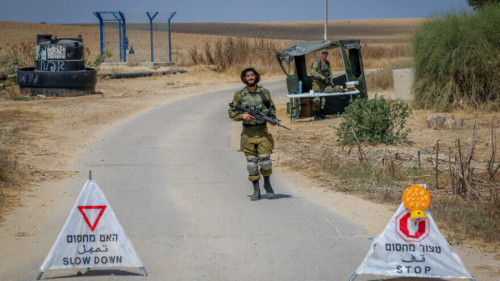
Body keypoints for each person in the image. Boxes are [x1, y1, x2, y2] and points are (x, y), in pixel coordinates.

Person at [228, 67, 276, 201]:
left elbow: (271, 108)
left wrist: (272, 118)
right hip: (247, 133)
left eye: (252, 75)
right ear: (244, 79)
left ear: (256, 77)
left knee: (265, 160)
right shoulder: (240, 94)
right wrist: (243, 116)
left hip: (262, 131)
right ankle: (256, 190)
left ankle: (267, 183)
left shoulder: (264, 92)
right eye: (247, 76)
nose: (250, 77)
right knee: (252, 163)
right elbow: (231, 112)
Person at [310, 49, 332, 120]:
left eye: (326, 53)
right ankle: (316, 115)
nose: (324, 55)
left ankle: (321, 113)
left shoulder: (328, 63)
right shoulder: (317, 62)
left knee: (323, 99)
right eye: (323, 53)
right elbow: (312, 72)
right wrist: (321, 76)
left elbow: (330, 74)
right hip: (316, 83)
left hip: (324, 84)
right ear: (320, 54)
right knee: (317, 99)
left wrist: (331, 81)